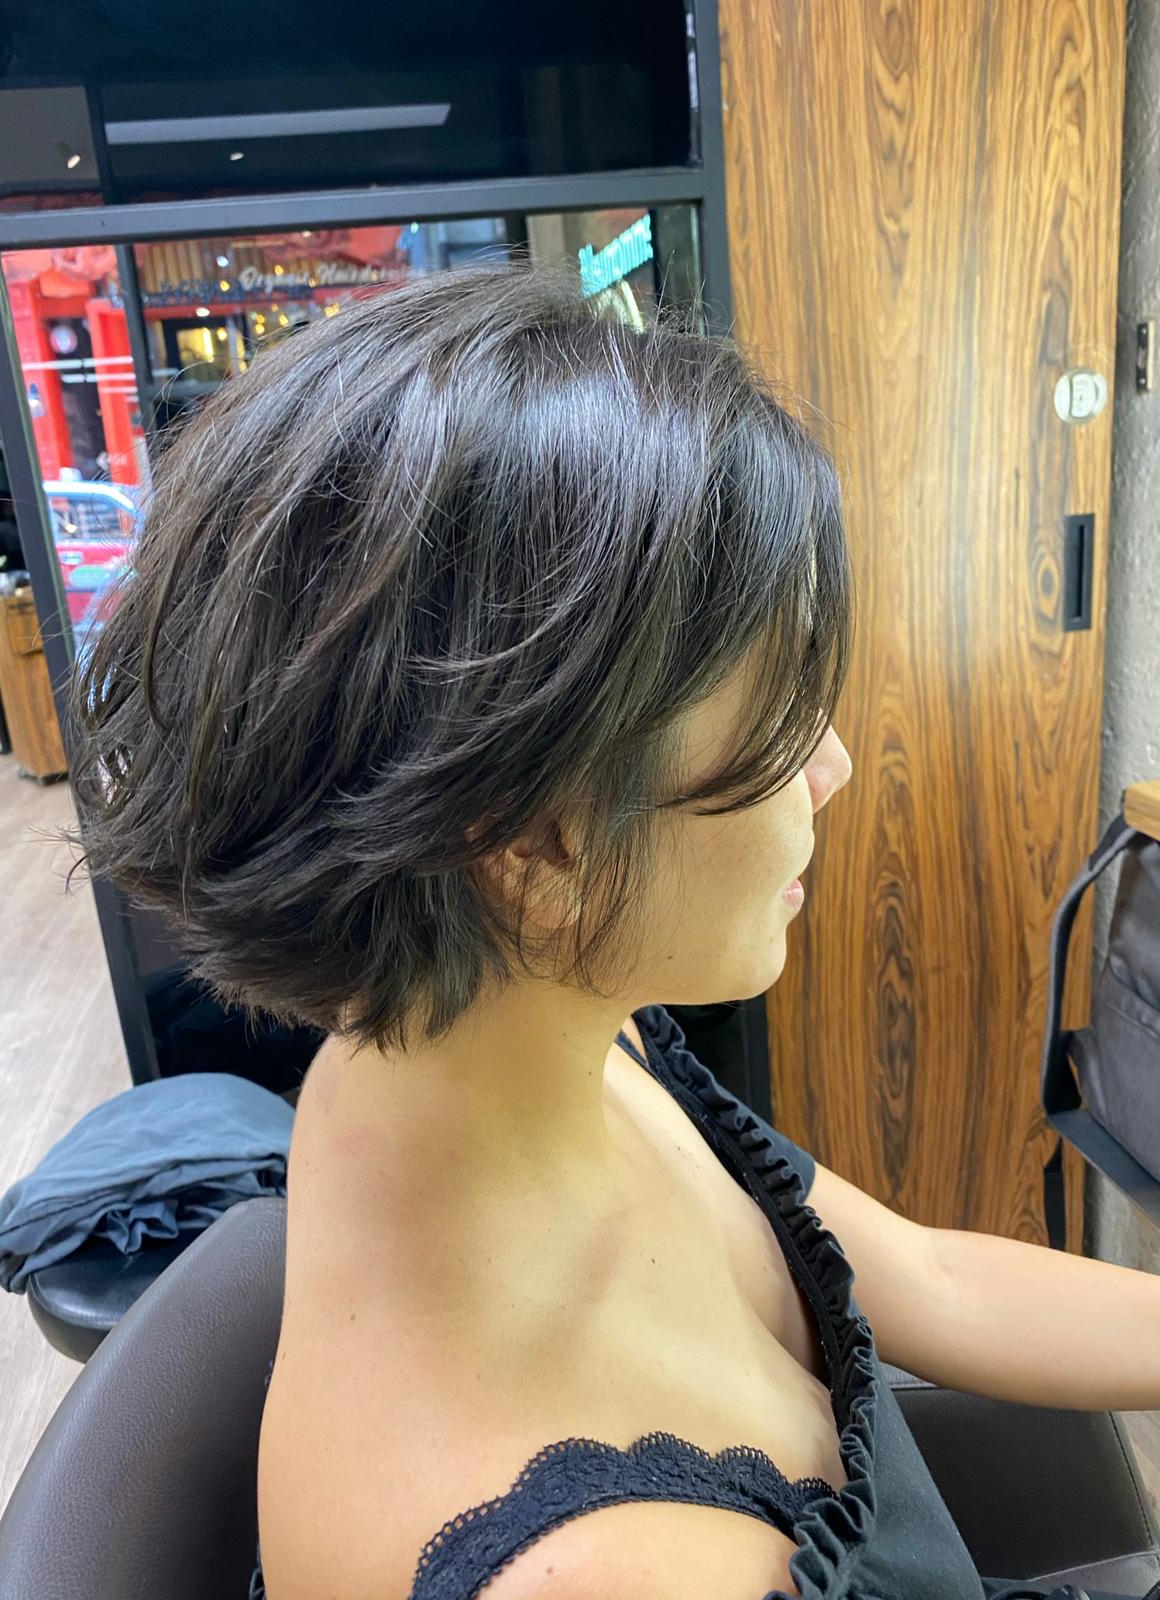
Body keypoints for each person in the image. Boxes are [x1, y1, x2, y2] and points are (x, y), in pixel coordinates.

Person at [69, 267, 1160, 1600]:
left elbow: (930, 1280)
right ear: (535, 846)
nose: (830, 768)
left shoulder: (506, 1050)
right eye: (778, 726)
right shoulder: (596, 1572)